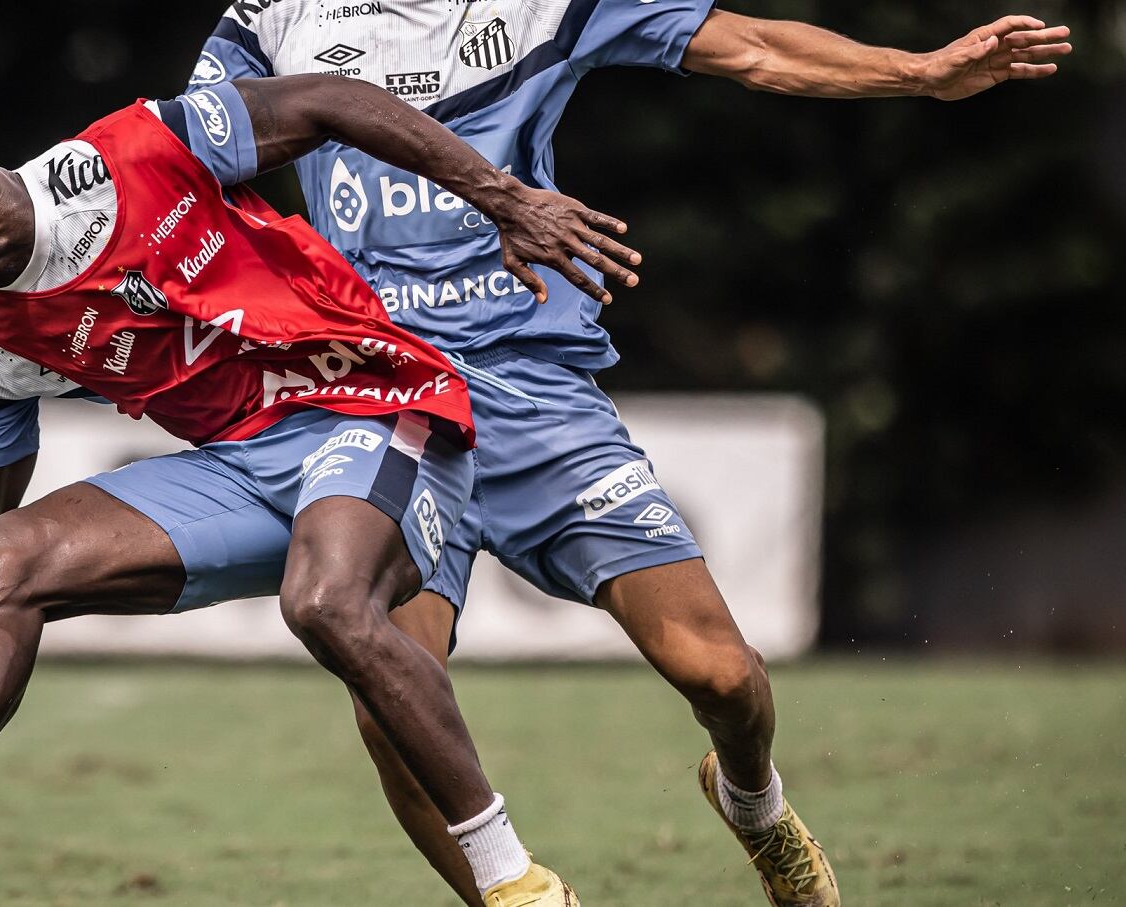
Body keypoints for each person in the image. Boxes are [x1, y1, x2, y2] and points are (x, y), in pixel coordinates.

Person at [188, 3, 1073, 905]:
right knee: (393, 708)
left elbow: (755, 48)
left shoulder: (544, 7)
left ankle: (755, 805)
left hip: (532, 389)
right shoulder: (272, 17)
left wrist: (919, 72)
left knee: (721, 674)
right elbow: (186, 168)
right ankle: (520, 898)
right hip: (382, 399)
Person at [0, 74, 641, 906]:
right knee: (1, 557)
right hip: (241, 467)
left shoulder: (139, 152)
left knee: (326, 601)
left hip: (374, 405)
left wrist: (506, 198)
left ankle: (518, 885)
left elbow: (330, 99)